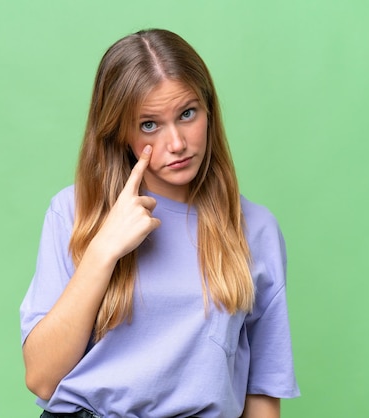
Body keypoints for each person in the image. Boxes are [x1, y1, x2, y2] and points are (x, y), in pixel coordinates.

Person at [20, 29, 300, 418]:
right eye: (149, 124)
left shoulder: (255, 229)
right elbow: (42, 378)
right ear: (121, 133)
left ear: (209, 110)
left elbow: (263, 393)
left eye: (187, 114)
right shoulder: (73, 212)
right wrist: (103, 251)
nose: (178, 144)